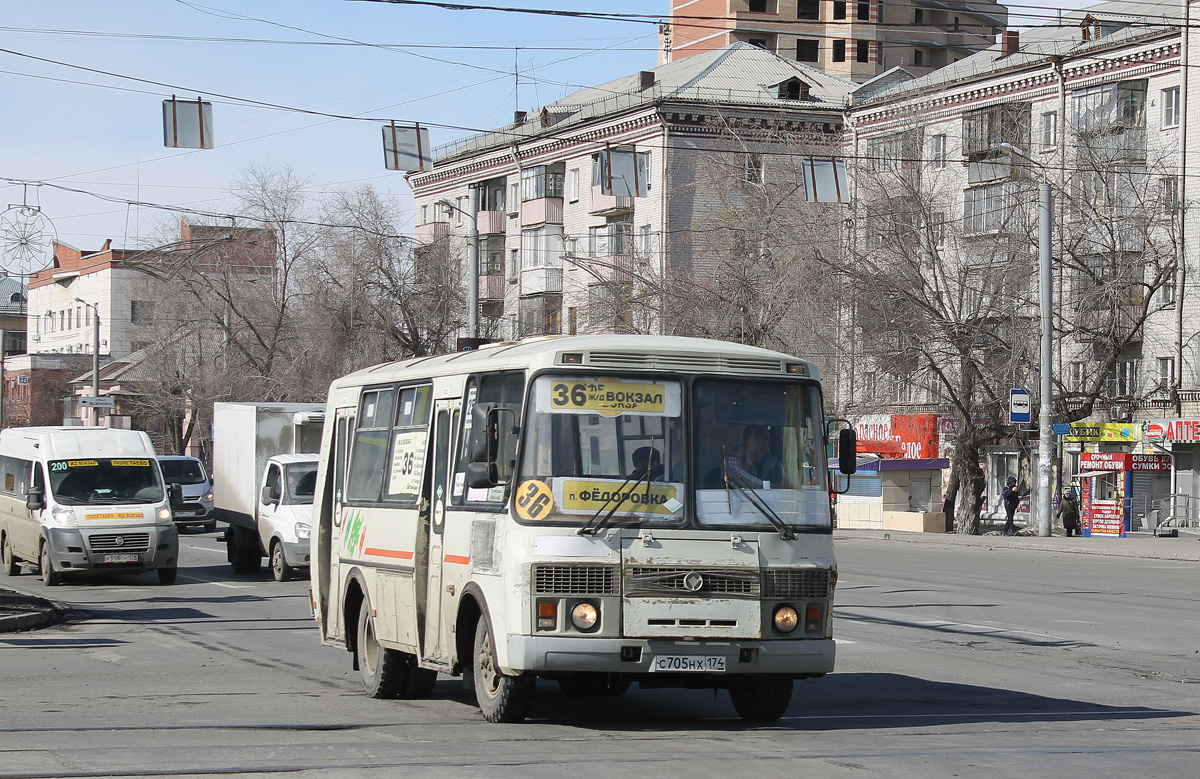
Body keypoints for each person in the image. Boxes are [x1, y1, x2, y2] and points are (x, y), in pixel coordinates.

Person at [727, 424, 783, 489]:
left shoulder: (774, 463)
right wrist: (767, 486)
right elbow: (736, 475)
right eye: (757, 437)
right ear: (746, 439)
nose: (762, 443)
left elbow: (787, 483)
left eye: (765, 439)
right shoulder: (733, 459)